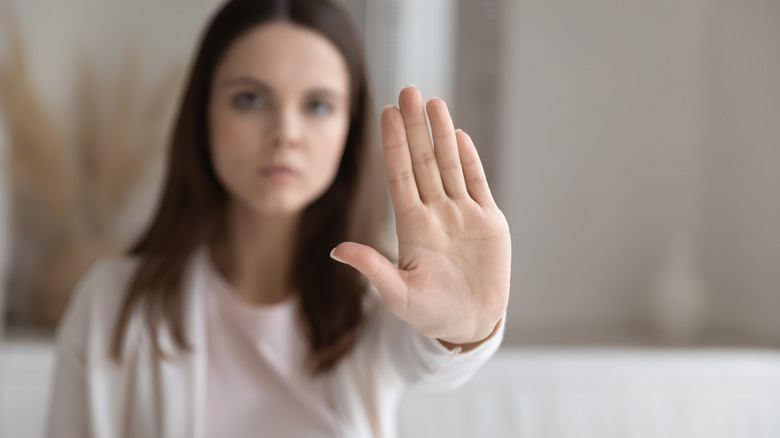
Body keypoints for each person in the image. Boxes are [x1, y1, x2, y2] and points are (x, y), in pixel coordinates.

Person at [45, 0, 511, 437]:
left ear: (348, 132)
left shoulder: (376, 300)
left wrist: (463, 331)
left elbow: (428, 357)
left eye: (318, 105)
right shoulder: (108, 303)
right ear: (203, 116)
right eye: (249, 99)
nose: (284, 133)